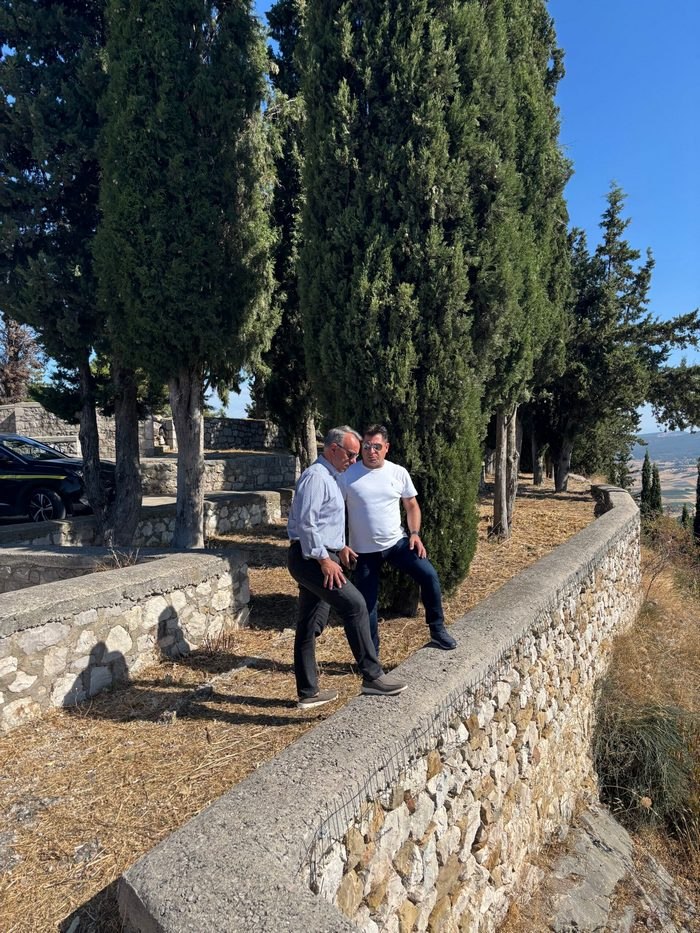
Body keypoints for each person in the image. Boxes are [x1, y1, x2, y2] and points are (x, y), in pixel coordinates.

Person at [287, 425, 407, 709]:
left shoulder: (331, 476)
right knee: (355, 606)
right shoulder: (317, 477)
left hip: (317, 555)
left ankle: (308, 692)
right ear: (333, 449)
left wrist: (340, 547)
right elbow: (306, 523)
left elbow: (324, 521)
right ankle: (372, 676)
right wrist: (324, 560)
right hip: (311, 558)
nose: (354, 460)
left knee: (309, 624)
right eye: (351, 454)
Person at [339, 424, 457, 655]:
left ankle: (437, 629)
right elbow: (335, 512)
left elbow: (411, 505)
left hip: (397, 544)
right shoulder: (348, 475)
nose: (371, 451)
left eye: (377, 446)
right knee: (367, 605)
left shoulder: (398, 472)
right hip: (363, 551)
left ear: (387, 448)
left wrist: (415, 534)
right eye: (366, 446)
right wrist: (341, 544)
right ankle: (372, 658)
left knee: (429, 575)